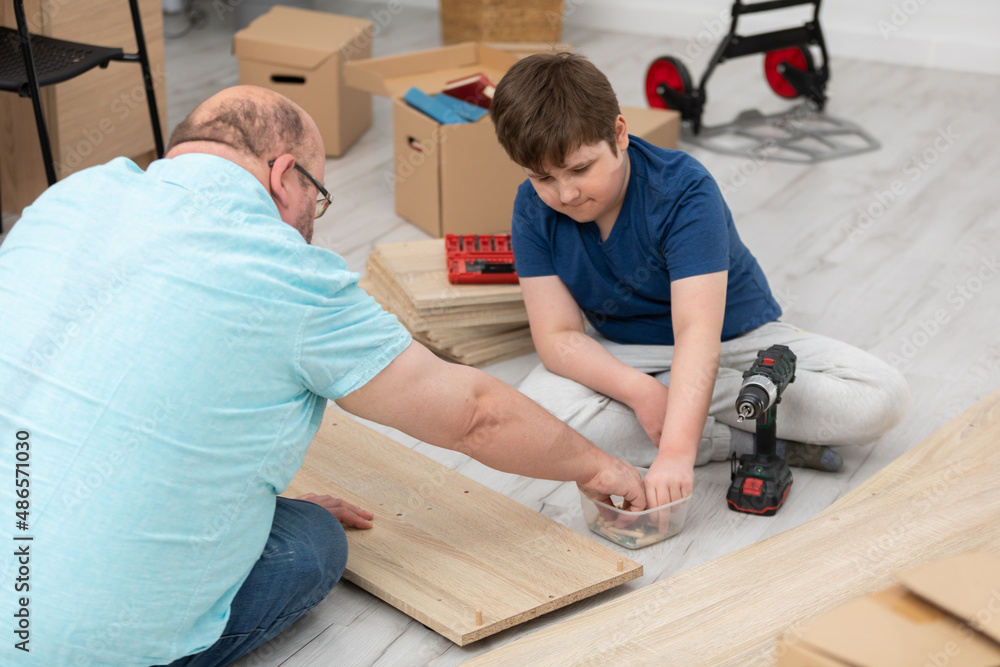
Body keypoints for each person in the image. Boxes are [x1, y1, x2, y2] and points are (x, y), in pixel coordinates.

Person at [0, 85, 646, 666]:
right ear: (284, 175)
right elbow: (476, 414)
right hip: (73, 647)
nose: (312, 217)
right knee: (311, 543)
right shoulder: (279, 267)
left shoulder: (71, 197)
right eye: (317, 194)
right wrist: (598, 467)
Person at [489, 52, 910, 509]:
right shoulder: (532, 207)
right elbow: (558, 338)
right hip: (631, 353)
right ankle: (748, 436)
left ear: (619, 133)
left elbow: (697, 332)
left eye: (580, 169)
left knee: (881, 396)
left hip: (735, 339)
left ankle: (713, 412)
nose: (565, 194)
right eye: (542, 177)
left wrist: (676, 451)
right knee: (538, 414)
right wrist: (641, 390)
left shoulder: (685, 190)